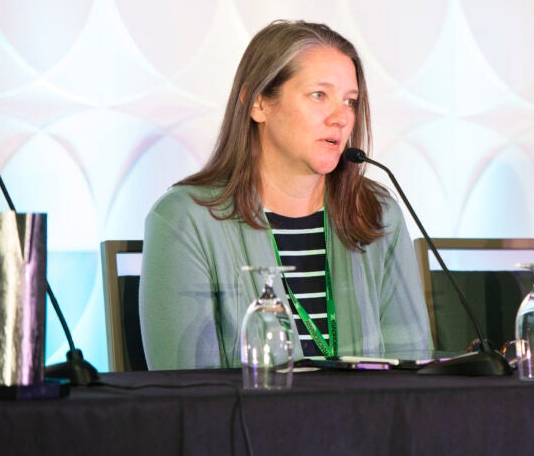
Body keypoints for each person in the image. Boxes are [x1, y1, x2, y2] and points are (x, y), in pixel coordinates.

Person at [139, 20, 432, 369]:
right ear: (258, 103)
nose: (341, 118)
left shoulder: (377, 213)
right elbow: (185, 390)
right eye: (319, 95)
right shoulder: (186, 219)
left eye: (350, 101)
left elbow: (412, 368)